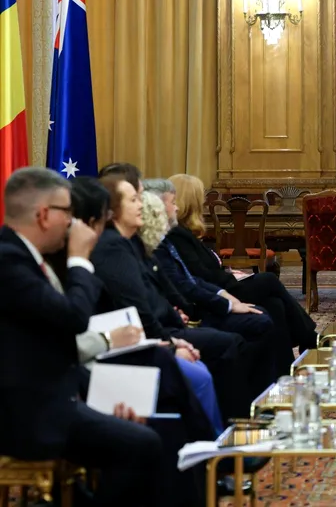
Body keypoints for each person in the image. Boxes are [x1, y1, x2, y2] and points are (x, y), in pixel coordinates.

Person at [0, 167, 164, 506]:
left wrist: (103, 398)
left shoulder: (25, 257)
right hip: (25, 414)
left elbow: (52, 341)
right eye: (67, 213)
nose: (73, 223)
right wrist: (79, 260)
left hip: (51, 396)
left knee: (147, 425)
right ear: (44, 214)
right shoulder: (8, 262)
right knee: (142, 445)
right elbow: (72, 319)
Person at [91, 174, 260, 418]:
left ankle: (239, 419)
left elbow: (159, 292)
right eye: (134, 200)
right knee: (225, 348)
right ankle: (233, 426)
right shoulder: (114, 248)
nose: (141, 205)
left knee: (256, 318)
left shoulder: (128, 244)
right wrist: (172, 344)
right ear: (113, 210)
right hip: (144, 340)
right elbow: (138, 307)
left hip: (165, 327)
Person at [165, 173, 317, 362]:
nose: (203, 202)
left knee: (274, 304)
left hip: (223, 285)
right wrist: (230, 278)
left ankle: (284, 367)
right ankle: (309, 337)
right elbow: (201, 275)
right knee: (268, 280)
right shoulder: (177, 235)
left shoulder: (184, 233)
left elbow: (205, 269)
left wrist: (229, 273)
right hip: (215, 294)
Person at [140, 187, 280, 384]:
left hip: (205, 297)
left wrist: (225, 295)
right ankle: (255, 392)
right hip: (192, 312)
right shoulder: (164, 242)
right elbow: (186, 284)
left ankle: (277, 379)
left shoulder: (168, 239)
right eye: (173, 203)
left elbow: (193, 280)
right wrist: (226, 301)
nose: (177, 208)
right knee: (260, 314)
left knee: (272, 306)